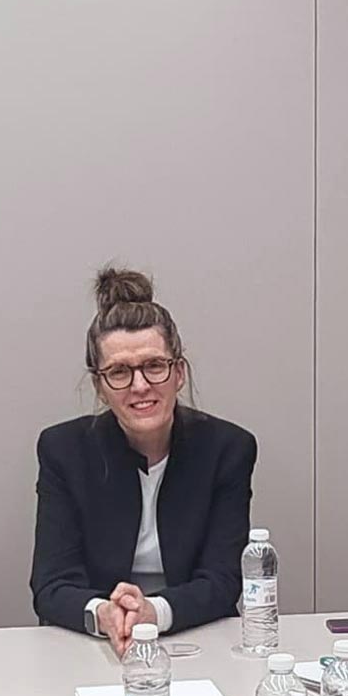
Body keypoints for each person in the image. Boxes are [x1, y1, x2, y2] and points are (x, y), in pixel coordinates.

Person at [30, 266, 257, 653]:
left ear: (179, 372)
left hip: (197, 638)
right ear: (100, 386)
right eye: (119, 371)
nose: (140, 386)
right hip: (96, 643)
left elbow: (222, 581)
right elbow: (51, 584)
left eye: (154, 366)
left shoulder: (227, 448)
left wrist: (153, 614)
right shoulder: (63, 450)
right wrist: (104, 614)